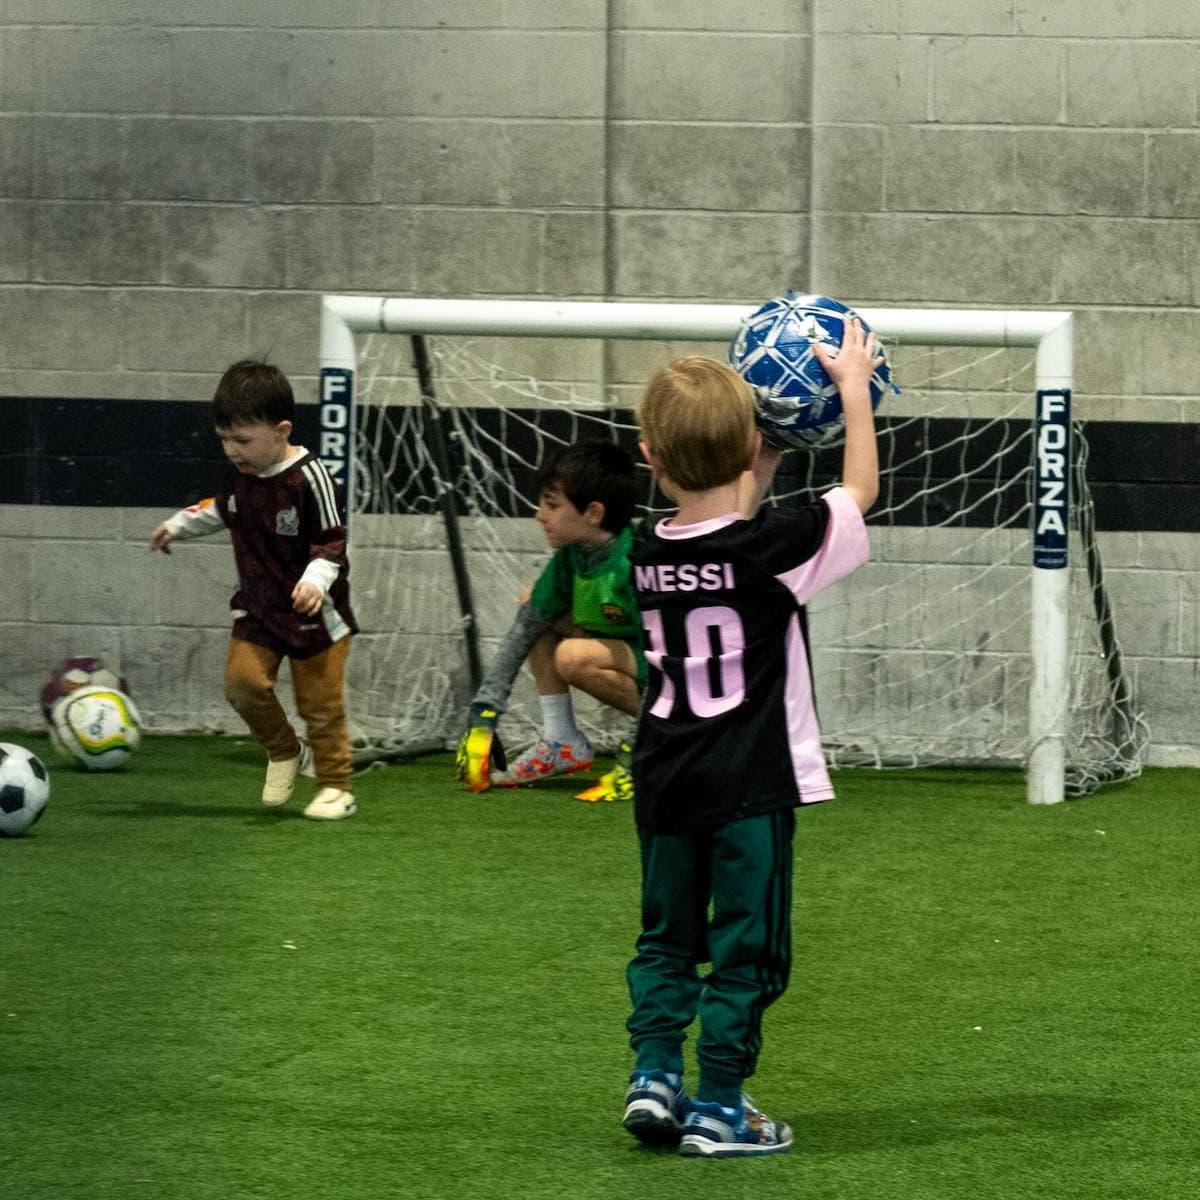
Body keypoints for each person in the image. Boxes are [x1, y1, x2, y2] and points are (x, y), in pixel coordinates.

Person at [621, 318, 882, 1157]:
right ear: (747, 448)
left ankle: (656, 1077)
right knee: (747, 951)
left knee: (667, 938)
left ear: (648, 457)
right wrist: (851, 390)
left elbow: (713, 533)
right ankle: (722, 1107)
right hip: (750, 787)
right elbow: (860, 493)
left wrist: (747, 465)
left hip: (664, 781)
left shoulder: (638, 549)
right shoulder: (776, 547)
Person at [150, 359, 358, 821]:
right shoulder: (239, 475)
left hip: (313, 612)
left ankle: (337, 786)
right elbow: (220, 509)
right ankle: (285, 750)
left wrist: (314, 580)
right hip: (259, 609)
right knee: (241, 685)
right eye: (224, 439)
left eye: (242, 440)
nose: (232, 451)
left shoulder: (312, 478)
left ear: (282, 431)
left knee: (319, 706)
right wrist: (176, 526)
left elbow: (333, 541)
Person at [457, 439, 645, 797]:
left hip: (673, 682)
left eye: (552, 505)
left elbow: (671, 658)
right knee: (534, 612)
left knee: (573, 655)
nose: (539, 516)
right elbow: (522, 633)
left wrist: (635, 757)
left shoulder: (635, 562)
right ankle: (562, 741)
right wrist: (482, 719)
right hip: (633, 659)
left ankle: (665, 737)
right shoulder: (572, 558)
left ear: (593, 513)